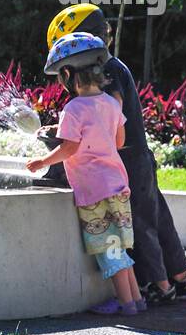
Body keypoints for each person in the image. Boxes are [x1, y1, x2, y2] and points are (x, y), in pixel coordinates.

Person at [46, 4, 186, 305]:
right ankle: (179, 276)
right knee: (156, 215)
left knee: (139, 221)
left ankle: (159, 284)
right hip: (137, 155)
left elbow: (110, 112)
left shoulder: (106, 71)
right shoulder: (116, 65)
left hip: (123, 160)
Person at [27, 33, 142, 315]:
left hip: (94, 190)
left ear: (68, 76)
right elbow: (118, 141)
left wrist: (42, 161)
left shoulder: (73, 108)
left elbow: (70, 147)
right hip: (117, 183)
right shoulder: (112, 104)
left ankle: (127, 305)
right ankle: (137, 299)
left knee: (107, 248)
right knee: (119, 245)